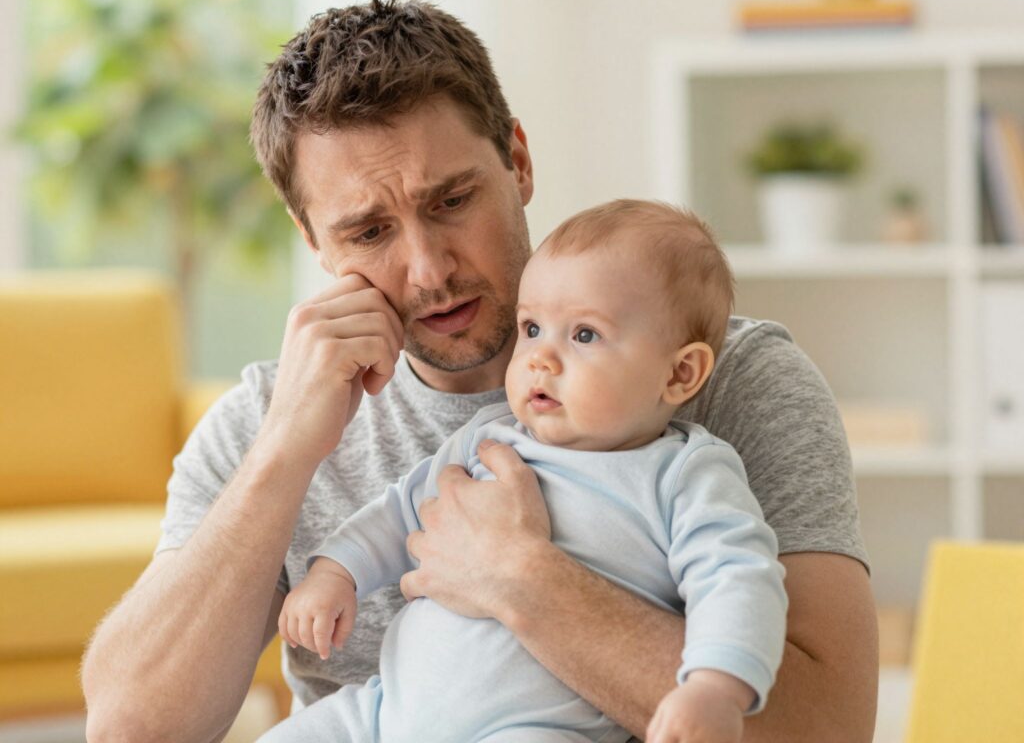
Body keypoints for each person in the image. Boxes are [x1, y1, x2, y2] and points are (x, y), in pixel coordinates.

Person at [81, 0, 878, 743]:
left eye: (452, 201)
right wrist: (284, 455)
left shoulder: (727, 382)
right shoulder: (269, 417)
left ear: (518, 163)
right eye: (367, 232)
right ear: (312, 240)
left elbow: (830, 728)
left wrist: (523, 580)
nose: (428, 270)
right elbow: (129, 728)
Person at [259, 200, 788, 743]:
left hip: (535, 729)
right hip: (382, 712)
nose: (540, 358)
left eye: (584, 335)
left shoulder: (685, 474)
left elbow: (737, 580)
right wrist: (334, 575)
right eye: (532, 327)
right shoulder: (490, 437)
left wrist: (714, 688)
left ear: (680, 373)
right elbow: (399, 512)